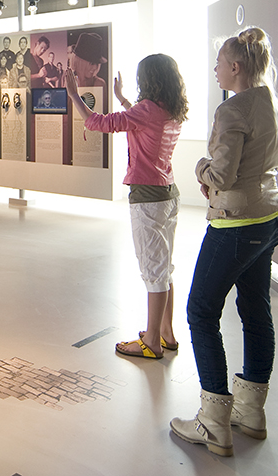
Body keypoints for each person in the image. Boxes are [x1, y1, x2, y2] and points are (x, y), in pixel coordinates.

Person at [170, 27, 278, 458]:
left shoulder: (232, 109)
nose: (215, 69)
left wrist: (201, 168)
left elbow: (221, 174)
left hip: (236, 223)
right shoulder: (272, 102)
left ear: (235, 67)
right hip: (270, 216)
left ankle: (214, 421)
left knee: (201, 311)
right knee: (256, 309)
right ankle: (251, 412)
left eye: (219, 63)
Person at [64, 54, 188, 361]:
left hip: (147, 197)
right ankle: (166, 333)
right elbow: (142, 120)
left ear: (149, 79)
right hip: (168, 193)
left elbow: (97, 123)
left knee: (154, 271)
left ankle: (152, 342)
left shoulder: (146, 110)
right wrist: (121, 98)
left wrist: (74, 96)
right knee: (164, 268)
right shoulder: (171, 109)